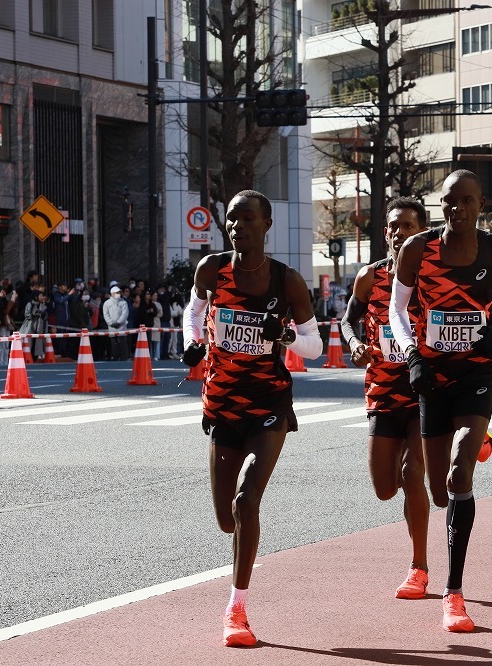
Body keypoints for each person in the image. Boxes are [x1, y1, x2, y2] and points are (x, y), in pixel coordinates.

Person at [388, 170, 492, 632]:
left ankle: (453, 593)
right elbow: (396, 309)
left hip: (477, 373)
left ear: (480, 204)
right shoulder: (416, 250)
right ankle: (476, 439)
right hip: (432, 375)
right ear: (440, 205)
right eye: (449, 201)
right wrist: (411, 354)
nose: (457, 209)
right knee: (437, 492)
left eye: (466, 201)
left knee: (458, 473)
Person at [181, 190, 323, 647]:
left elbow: (314, 347)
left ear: (267, 225)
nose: (238, 227)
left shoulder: (287, 282)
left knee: (246, 501)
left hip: (269, 403)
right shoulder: (212, 269)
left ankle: (236, 609)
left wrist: (282, 335)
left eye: (247, 219)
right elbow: (193, 311)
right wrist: (192, 342)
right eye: (231, 220)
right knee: (227, 519)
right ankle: (238, 579)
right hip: (222, 403)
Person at [339, 196, 432, 599]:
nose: (398, 233)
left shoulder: (435, 278)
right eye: (393, 226)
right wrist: (354, 342)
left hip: (425, 391)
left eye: (407, 226)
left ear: (422, 232)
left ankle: (419, 566)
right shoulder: (370, 277)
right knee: (384, 487)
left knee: (414, 476)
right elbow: (347, 320)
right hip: (382, 391)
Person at [102, 285, 129, 360]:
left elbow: (125, 314)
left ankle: (124, 358)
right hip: (112, 328)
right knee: (114, 346)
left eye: (119, 292)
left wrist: (119, 322)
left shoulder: (123, 303)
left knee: (123, 345)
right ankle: (115, 358)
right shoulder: (107, 303)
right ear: (112, 293)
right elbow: (106, 314)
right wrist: (111, 323)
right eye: (117, 292)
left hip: (122, 328)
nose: (119, 294)